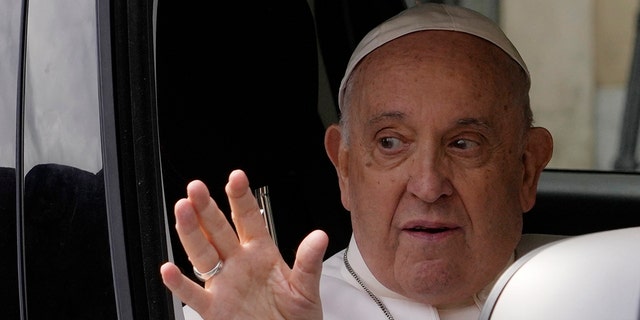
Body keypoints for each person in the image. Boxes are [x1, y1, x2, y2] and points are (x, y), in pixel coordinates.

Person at [160, 3, 555, 319]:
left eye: (464, 143)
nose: (429, 185)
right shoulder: (246, 313)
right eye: (390, 142)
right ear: (344, 167)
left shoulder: (601, 290)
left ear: (526, 169)